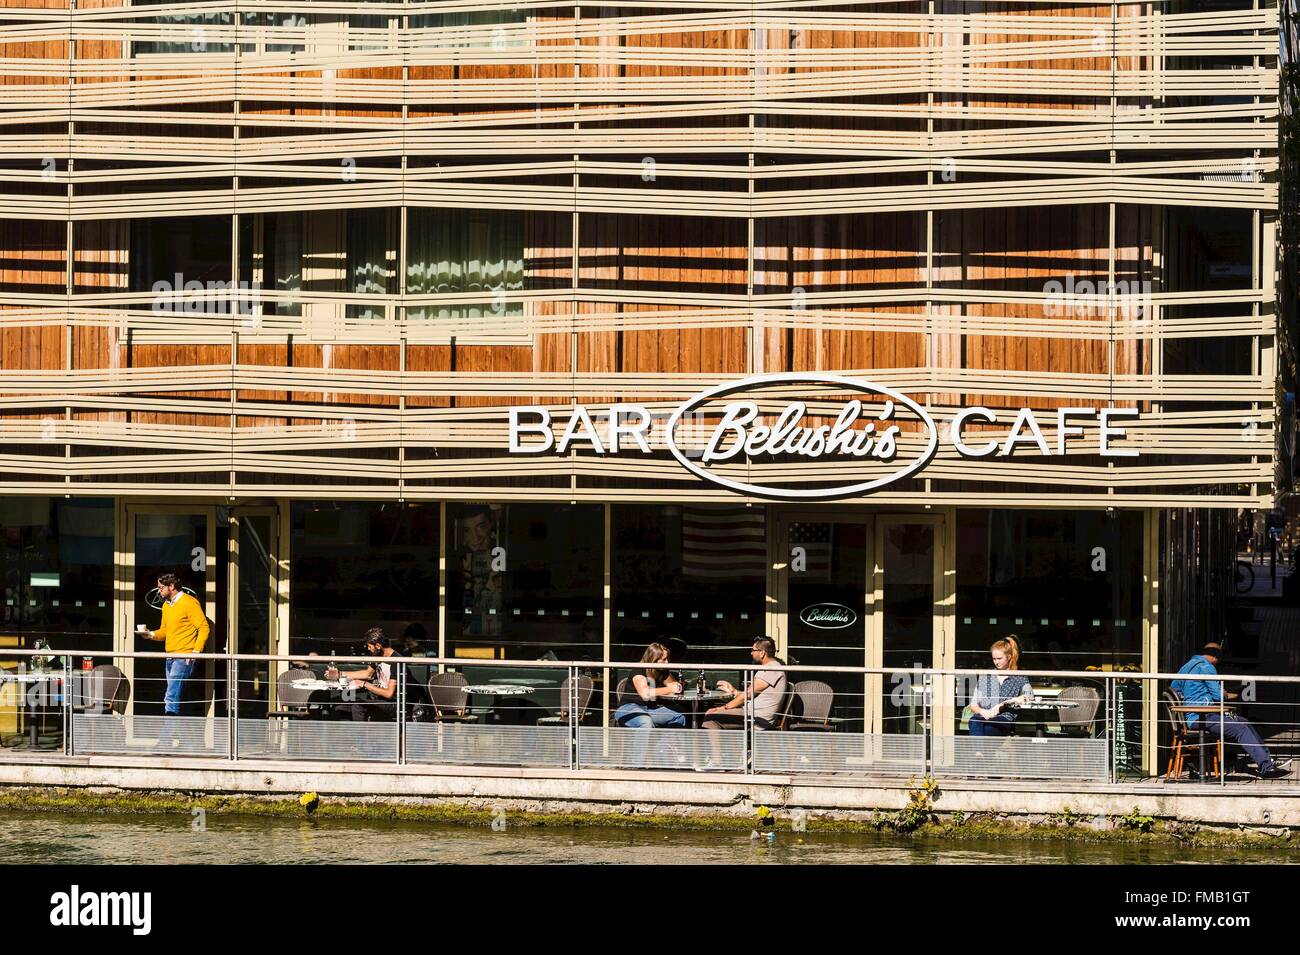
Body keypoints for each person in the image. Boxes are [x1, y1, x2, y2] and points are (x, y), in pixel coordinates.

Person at [1171, 644, 1290, 779]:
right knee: (1241, 728)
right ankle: (1267, 768)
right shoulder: (1207, 667)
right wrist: (1224, 693)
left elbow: (1175, 687)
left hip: (1193, 717)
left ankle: (1267, 761)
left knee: (1243, 721)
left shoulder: (1186, 666)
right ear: (1216, 656)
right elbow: (1219, 696)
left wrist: (1190, 698)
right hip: (1202, 717)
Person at [137, 572, 209, 744]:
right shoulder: (167, 606)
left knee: (171, 697)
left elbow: (204, 627)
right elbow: (165, 632)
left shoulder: (189, 602)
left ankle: (165, 741)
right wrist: (150, 634)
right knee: (180, 698)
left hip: (183, 657)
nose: (159, 591)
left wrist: (195, 653)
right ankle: (191, 743)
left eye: (161, 588)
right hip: (170, 657)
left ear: (171, 587)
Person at [698, 637, 786, 769]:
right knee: (713, 714)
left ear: (762, 653)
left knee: (711, 718)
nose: (751, 653)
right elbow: (750, 693)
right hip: (751, 712)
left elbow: (748, 694)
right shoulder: (769, 668)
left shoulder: (772, 669)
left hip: (757, 717)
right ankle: (732, 757)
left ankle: (717, 762)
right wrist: (733, 691)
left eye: (753, 650)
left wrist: (724, 707)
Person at [327, 628, 399, 722]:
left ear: (377, 645)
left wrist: (364, 684)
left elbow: (389, 694)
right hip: (380, 699)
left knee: (358, 706)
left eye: (369, 646)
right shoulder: (379, 656)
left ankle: (360, 736)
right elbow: (367, 674)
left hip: (395, 703)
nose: (368, 649)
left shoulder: (396, 661)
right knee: (339, 706)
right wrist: (339, 674)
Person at [967, 637, 1033, 737]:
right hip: (983, 717)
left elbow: (1030, 697)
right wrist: (983, 711)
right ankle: (979, 753)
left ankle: (977, 752)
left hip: (1004, 718)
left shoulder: (1019, 676)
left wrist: (1008, 702)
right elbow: (973, 704)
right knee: (975, 720)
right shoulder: (986, 676)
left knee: (984, 729)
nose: (996, 662)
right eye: (994, 659)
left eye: (999, 658)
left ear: (1009, 657)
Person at [614, 642, 686, 730]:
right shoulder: (639, 670)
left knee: (679, 715)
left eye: (667, 659)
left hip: (651, 709)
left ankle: (666, 743)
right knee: (645, 721)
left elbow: (676, 687)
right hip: (629, 708)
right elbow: (645, 693)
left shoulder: (662, 671)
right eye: (663, 659)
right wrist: (669, 689)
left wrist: (674, 687)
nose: (667, 662)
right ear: (653, 659)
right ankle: (642, 744)